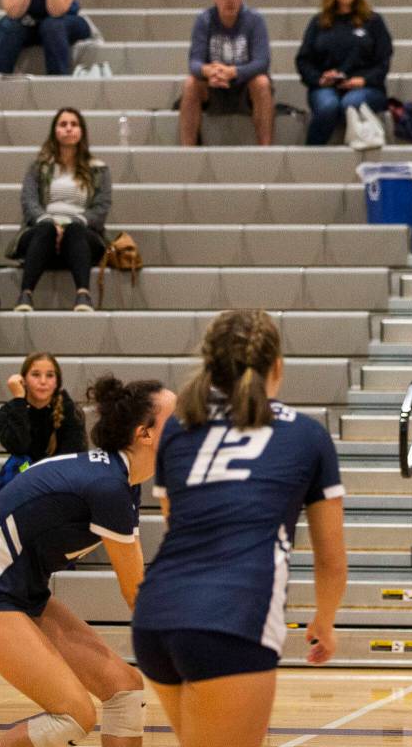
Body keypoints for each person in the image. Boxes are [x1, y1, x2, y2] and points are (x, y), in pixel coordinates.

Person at [132, 309, 347, 747]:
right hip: (231, 621)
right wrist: (324, 622)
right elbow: (330, 559)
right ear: (278, 366)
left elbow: (177, 522)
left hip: (155, 619)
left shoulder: (177, 425)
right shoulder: (307, 435)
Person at [0, 375, 176, 747]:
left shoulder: (119, 479)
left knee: (125, 691)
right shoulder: (108, 486)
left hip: (19, 593)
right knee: (74, 716)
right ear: (145, 434)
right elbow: (138, 596)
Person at [11, 108, 111, 313]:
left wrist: (72, 223)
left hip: (82, 235)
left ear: (81, 131)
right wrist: (50, 222)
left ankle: (83, 295)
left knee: (75, 229)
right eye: (63, 124)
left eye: (74, 124)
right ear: (54, 131)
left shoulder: (99, 169)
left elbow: (102, 207)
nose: (68, 129)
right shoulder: (38, 167)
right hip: (43, 232)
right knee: (46, 228)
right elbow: (28, 201)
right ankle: (25, 295)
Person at [296, 0, 393, 146]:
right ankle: (311, 155)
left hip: (366, 87)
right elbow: (303, 61)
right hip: (326, 88)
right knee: (328, 107)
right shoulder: (318, 22)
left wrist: (362, 80)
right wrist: (320, 78)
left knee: (351, 103)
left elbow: (383, 61)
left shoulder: (373, 21)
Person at [179, 0, 274, 147]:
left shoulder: (255, 20)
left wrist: (233, 72)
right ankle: (188, 152)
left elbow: (262, 62)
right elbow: (194, 62)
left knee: (262, 82)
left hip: (244, 87)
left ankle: (265, 150)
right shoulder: (204, 20)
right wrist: (209, 71)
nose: (230, 0)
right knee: (191, 84)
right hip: (214, 86)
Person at [0, 352, 87, 478]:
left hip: (59, 476)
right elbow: (19, 447)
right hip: (25, 473)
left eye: (49, 375)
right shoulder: (9, 411)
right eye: (35, 375)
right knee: (17, 464)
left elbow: (71, 458)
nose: (43, 381)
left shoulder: (70, 410)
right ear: (24, 380)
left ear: (57, 382)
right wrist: (19, 400)